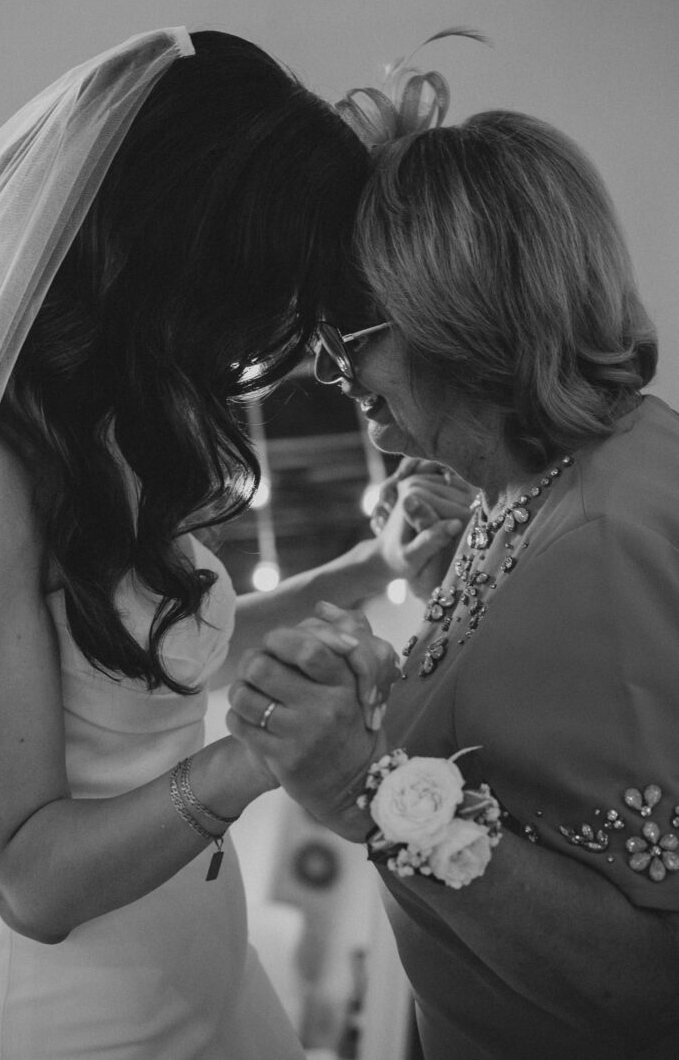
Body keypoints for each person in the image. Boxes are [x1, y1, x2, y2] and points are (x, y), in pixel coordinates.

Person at [0, 28, 467, 1060]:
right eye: (256, 302)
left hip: (205, 957)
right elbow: (27, 875)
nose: (251, 352)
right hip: (76, 1017)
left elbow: (152, 653)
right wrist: (255, 757)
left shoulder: (103, 412)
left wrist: (371, 567)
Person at [227, 74, 679, 1059]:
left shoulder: (600, 540)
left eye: (349, 344)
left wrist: (362, 783)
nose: (337, 383)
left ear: (454, 313)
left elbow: (652, 986)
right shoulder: (543, 481)